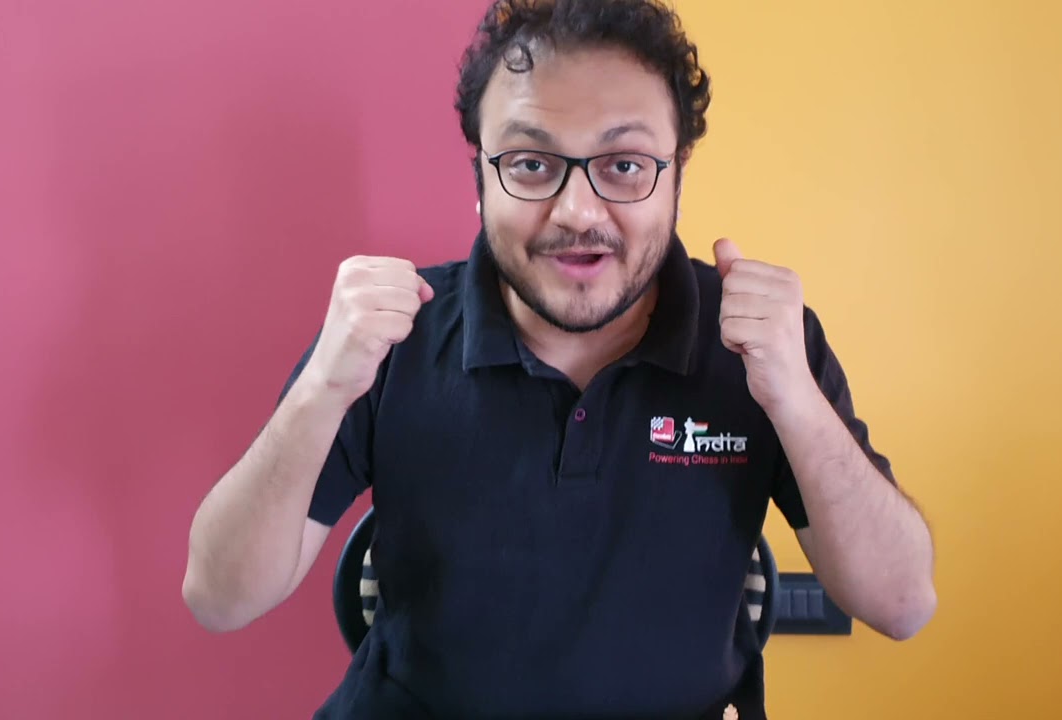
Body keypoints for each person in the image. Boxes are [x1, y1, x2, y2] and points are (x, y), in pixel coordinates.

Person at [181, 0, 937, 717]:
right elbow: (218, 597)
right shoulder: (391, 335)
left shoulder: (761, 343)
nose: (578, 211)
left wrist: (794, 400)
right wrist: (321, 389)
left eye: (625, 164)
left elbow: (902, 604)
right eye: (532, 164)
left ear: (676, 176)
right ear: (481, 180)